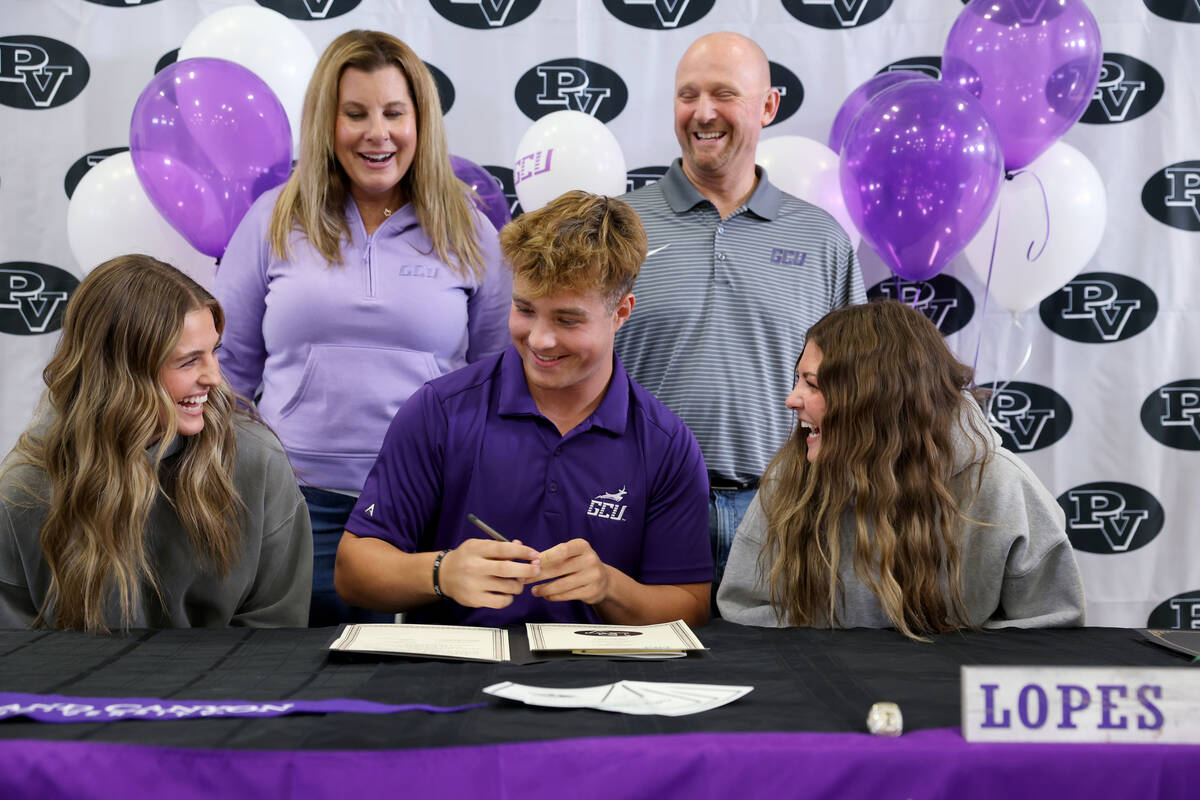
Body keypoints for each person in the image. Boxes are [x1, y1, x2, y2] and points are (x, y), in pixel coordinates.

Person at [214, 30, 511, 626]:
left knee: (425, 696)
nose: (378, 133)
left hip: (428, 508)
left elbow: (495, 379)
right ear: (328, 122)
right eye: (356, 114)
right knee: (295, 686)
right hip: (296, 505)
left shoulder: (470, 232)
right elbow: (229, 372)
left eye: (394, 113)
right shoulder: (273, 220)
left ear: (420, 122)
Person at [335, 191, 712, 628]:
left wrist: (609, 587)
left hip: (602, 682)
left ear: (621, 313)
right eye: (525, 309)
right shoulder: (439, 411)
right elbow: (353, 571)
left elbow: (691, 606)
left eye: (568, 320)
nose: (539, 340)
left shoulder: (666, 444)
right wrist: (441, 572)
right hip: (454, 680)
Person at [613, 32, 866, 592]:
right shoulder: (617, 228)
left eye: (724, 94)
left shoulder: (822, 240)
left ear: (768, 106)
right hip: (641, 509)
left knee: (781, 678)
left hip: (784, 515)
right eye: (688, 96)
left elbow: (854, 389)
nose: (703, 113)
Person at [716, 301, 1086, 637]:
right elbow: (744, 607)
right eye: (798, 380)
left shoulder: (1002, 486)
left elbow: (1050, 634)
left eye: (812, 384)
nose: (791, 399)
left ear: (876, 398)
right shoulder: (791, 476)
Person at [0, 255, 312, 631]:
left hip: (225, 688)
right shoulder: (26, 488)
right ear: (120, 375)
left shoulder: (257, 463)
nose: (214, 377)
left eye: (214, 351)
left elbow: (276, 633)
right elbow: (14, 656)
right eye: (188, 362)